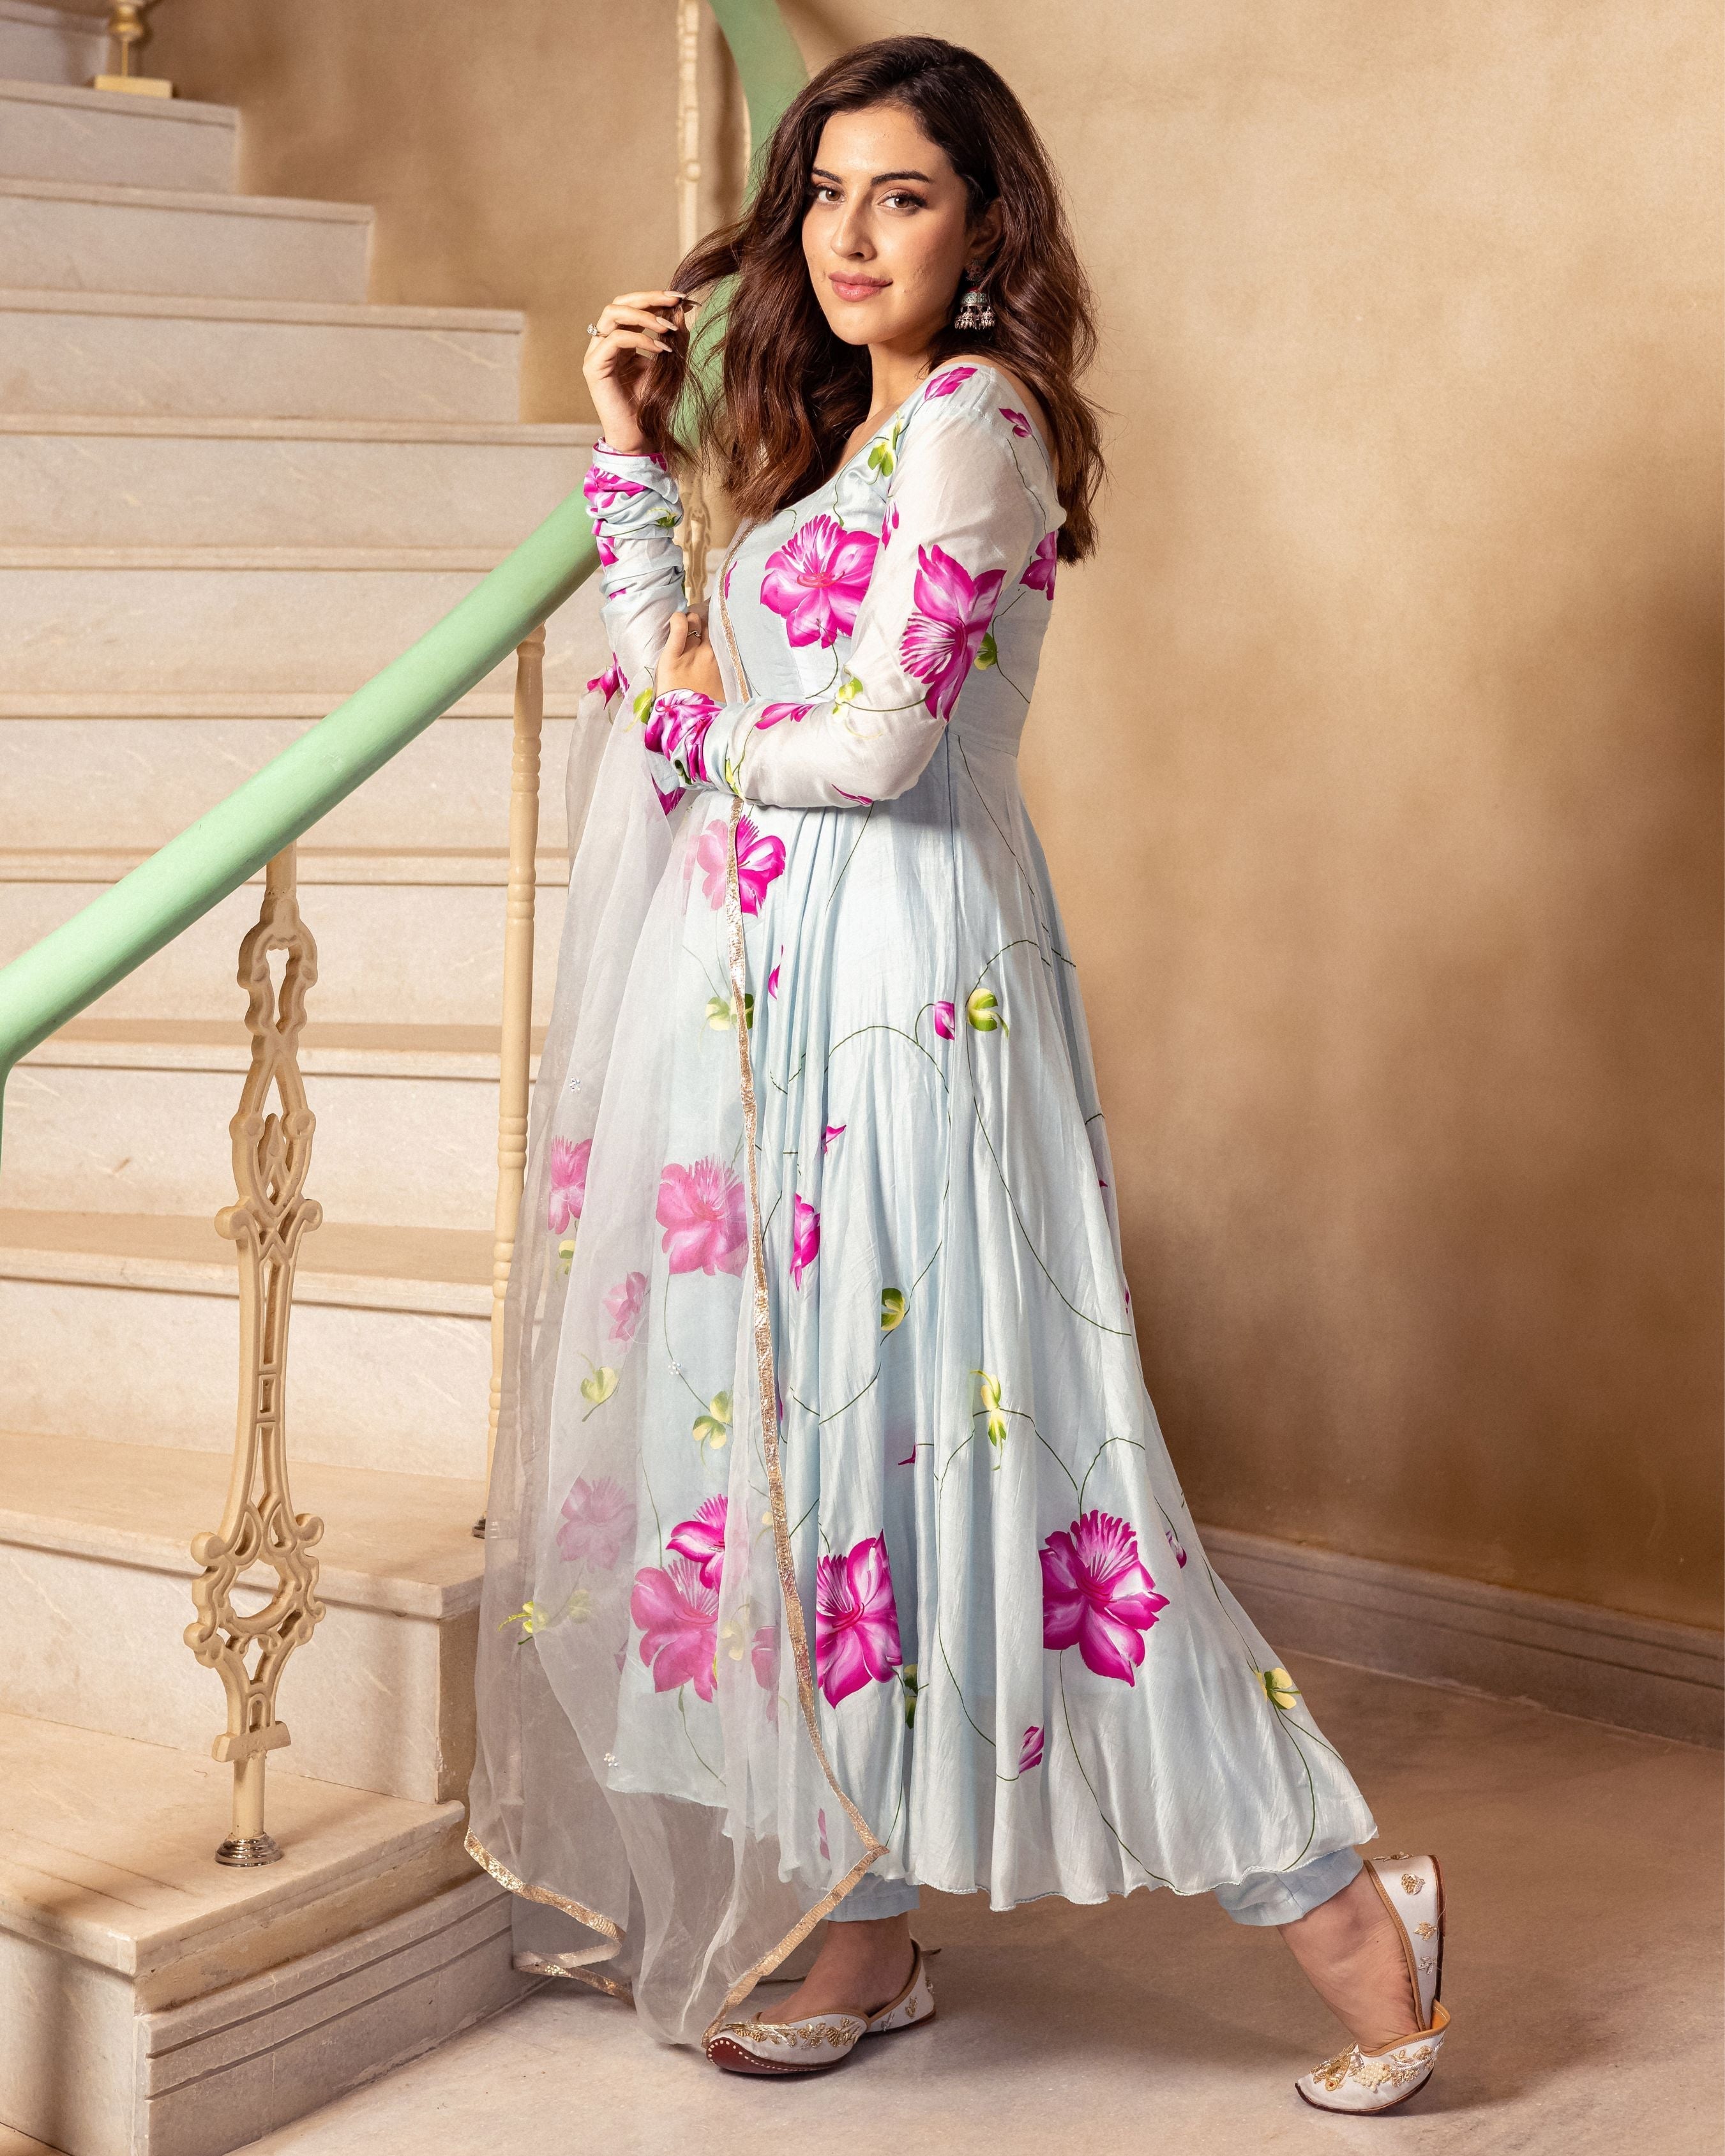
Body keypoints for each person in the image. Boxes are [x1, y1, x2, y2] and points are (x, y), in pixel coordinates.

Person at [467, 34, 1449, 2114]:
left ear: (984, 224)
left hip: (917, 990)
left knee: (1026, 1451)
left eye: (900, 195)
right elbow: (686, 678)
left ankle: (1349, 1906)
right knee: (838, 1463)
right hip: (785, 987)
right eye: (824, 193)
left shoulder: (981, 424)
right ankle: (870, 1918)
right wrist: (629, 461)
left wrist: (698, 736)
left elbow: (879, 745)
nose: (848, 236)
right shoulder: (845, 448)